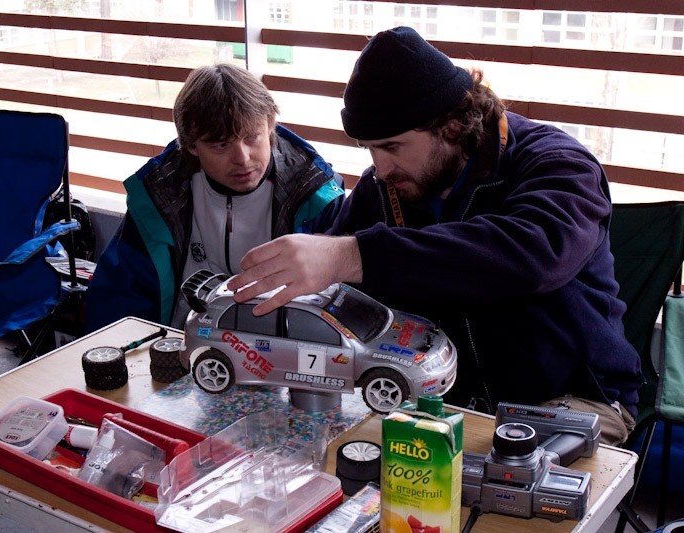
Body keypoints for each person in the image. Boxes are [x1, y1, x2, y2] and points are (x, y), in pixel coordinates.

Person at [227, 27, 642, 445]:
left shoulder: (559, 163)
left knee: (511, 477)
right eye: (370, 149)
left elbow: (535, 254)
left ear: (453, 125)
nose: (380, 169)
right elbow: (329, 283)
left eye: (392, 147)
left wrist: (353, 256)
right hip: (436, 399)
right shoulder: (385, 187)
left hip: (572, 401)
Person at [85, 63, 345, 332]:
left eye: (251, 138)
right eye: (221, 145)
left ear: (269, 124)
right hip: (178, 341)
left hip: (278, 348)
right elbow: (119, 298)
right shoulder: (158, 196)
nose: (242, 158)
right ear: (191, 145)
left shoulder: (316, 196)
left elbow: (340, 307)